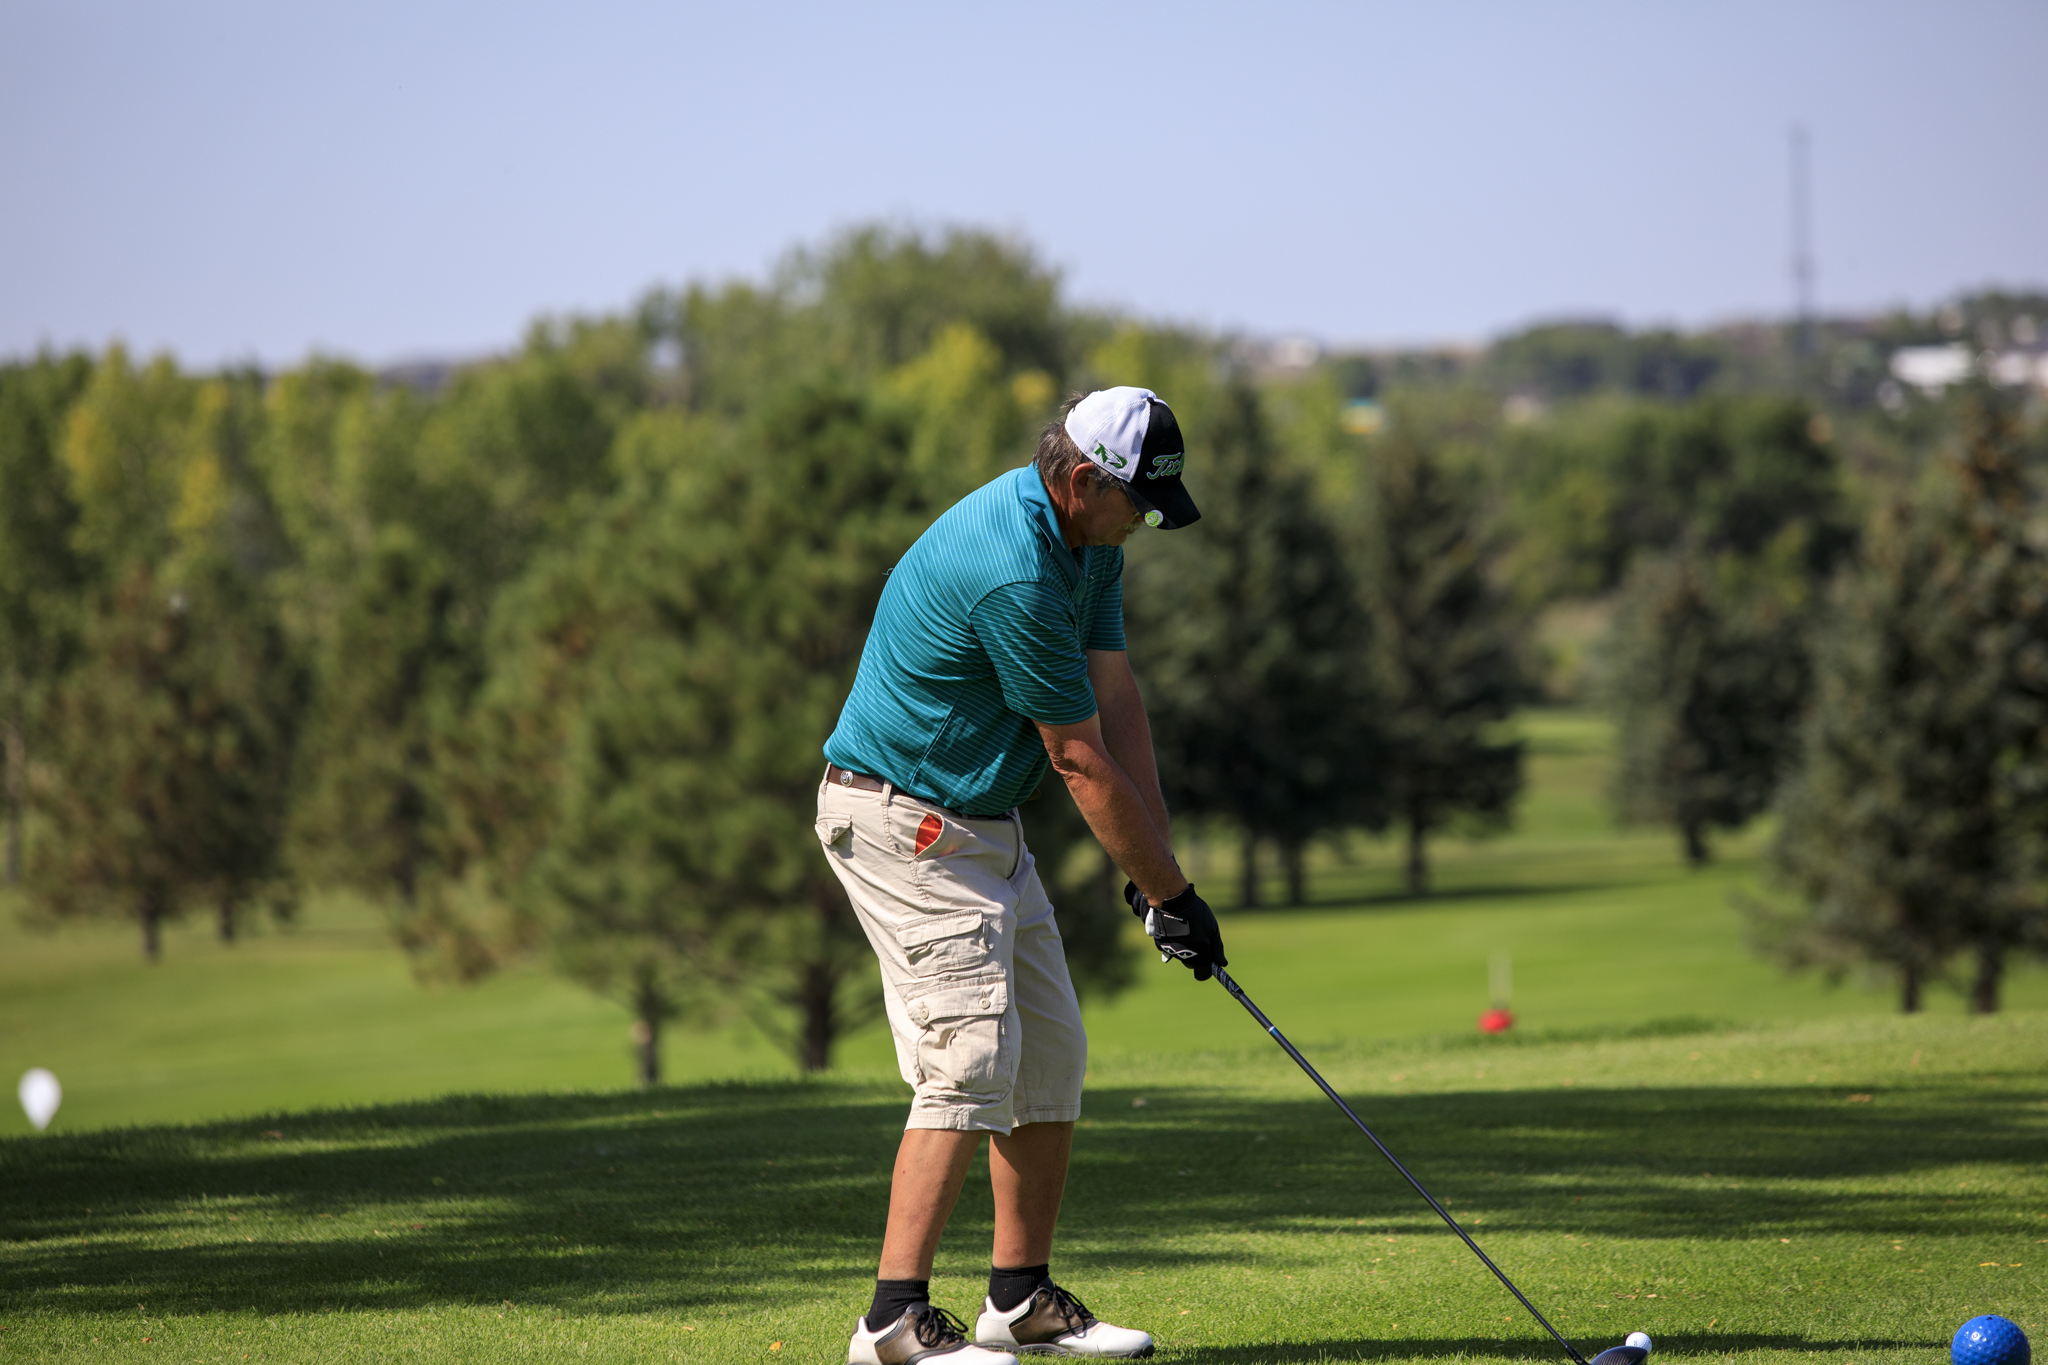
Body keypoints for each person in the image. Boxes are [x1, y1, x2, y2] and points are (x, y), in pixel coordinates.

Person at [817, 387, 1228, 1364]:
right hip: (904, 823)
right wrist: (1174, 897)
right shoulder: (1015, 570)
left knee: (1047, 1053)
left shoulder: (1089, 543)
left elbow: (1114, 696)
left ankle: (1018, 1298)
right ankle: (890, 1323)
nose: (1142, 525)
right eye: (1137, 504)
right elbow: (1075, 757)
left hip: (980, 823)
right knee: (965, 1061)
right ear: (1082, 480)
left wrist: (1159, 875)